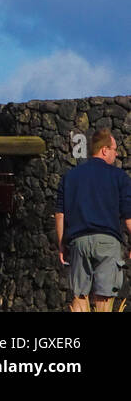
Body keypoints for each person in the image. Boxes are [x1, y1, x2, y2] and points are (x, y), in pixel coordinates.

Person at [54, 128, 131, 311]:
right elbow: (129, 216)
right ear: (104, 150)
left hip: (78, 242)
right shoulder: (119, 177)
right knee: (104, 297)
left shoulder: (70, 177)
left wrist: (61, 244)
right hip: (107, 241)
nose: (116, 153)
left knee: (80, 294)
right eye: (114, 149)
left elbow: (60, 214)